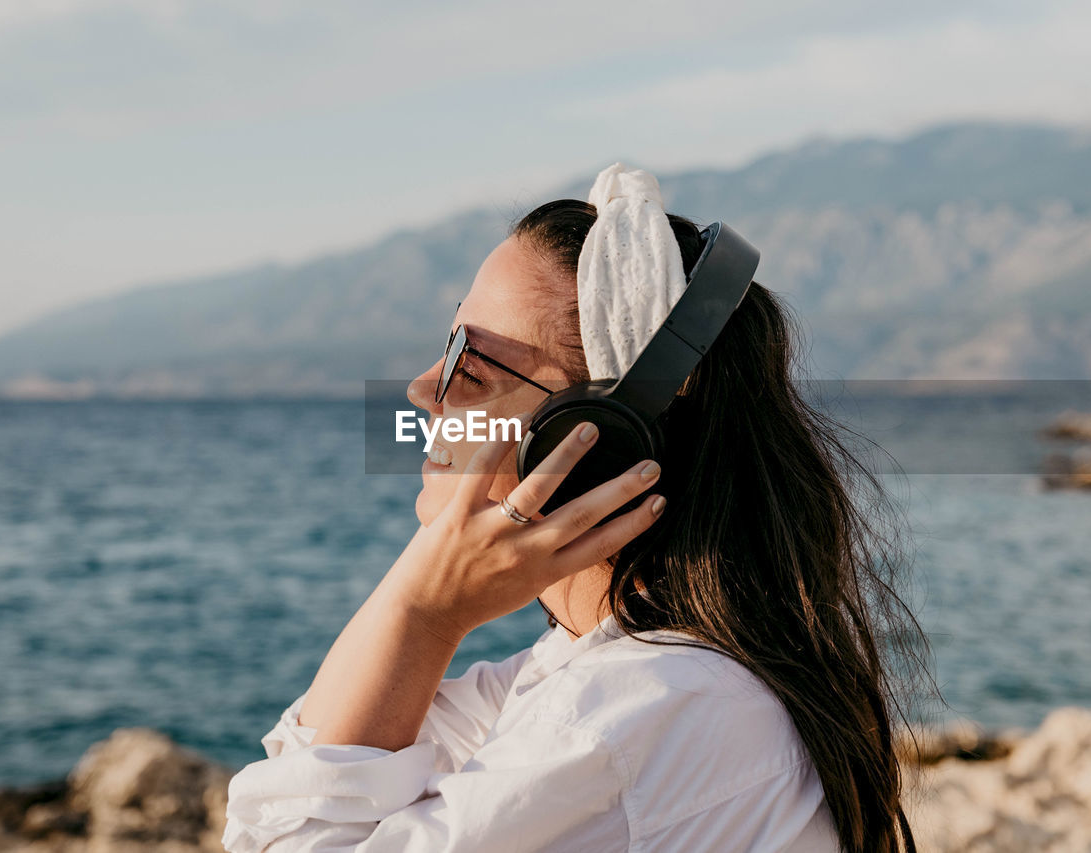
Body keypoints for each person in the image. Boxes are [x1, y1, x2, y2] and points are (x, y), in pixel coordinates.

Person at [222, 164, 928, 852]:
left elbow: (288, 828)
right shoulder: (607, 673)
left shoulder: (633, 714)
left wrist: (425, 612)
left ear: (597, 438)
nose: (422, 387)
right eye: (448, 340)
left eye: (471, 360)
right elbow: (311, 760)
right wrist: (421, 610)